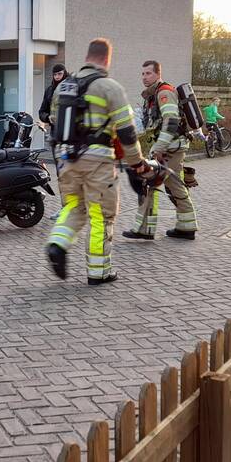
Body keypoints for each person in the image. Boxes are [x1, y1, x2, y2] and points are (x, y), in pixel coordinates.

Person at [45, 38, 148, 286]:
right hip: (98, 162)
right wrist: (137, 163)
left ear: (87, 56)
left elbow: (54, 123)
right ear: (106, 59)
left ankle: (57, 243)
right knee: (100, 215)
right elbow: (126, 133)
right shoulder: (109, 87)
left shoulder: (64, 87)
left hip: (66, 159)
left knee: (72, 207)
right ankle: (99, 271)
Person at [124, 60, 197, 240]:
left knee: (162, 183)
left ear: (158, 74)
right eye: (142, 74)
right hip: (166, 148)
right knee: (159, 185)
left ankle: (180, 227)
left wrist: (158, 148)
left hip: (170, 149)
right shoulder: (151, 95)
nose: (144, 77)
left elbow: (171, 121)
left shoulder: (164, 92)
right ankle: (175, 227)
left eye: (148, 73)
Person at [39, 64, 69, 220]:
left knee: (72, 174)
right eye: (55, 74)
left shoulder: (71, 89)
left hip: (71, 138)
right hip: (57, 136)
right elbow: (42, 111)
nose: (57, 77)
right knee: (61, 174)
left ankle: (76, 209)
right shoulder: (50, 90)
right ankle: (65, 208)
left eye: (60, 74)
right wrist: (48, 118)